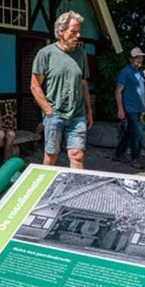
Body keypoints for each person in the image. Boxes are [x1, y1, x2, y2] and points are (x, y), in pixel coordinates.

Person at [30, 11, 93, 169]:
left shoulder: (81, 54)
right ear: (61, 31)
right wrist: (48, 111)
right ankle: (45, 190)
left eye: (79, 31)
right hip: (55, 114)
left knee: (77, 155)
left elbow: (83, 83)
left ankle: (76, 191)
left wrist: (89, 111)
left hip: (77, 114)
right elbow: (35, 85)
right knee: (51, 156)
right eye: (73, 31)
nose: (78, 35)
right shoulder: (46, 54)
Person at [113, 47, 145, 169]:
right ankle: (135, 159)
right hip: (130, 108)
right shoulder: (125, 72)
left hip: (139, 108)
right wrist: (120, 109)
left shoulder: (141, 73)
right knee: (137, 134)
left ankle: (118, 154)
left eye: (140, 57)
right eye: (136, 57)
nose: (139, 59)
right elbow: (118, 91)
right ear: (131, 59)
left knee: (130, 133)